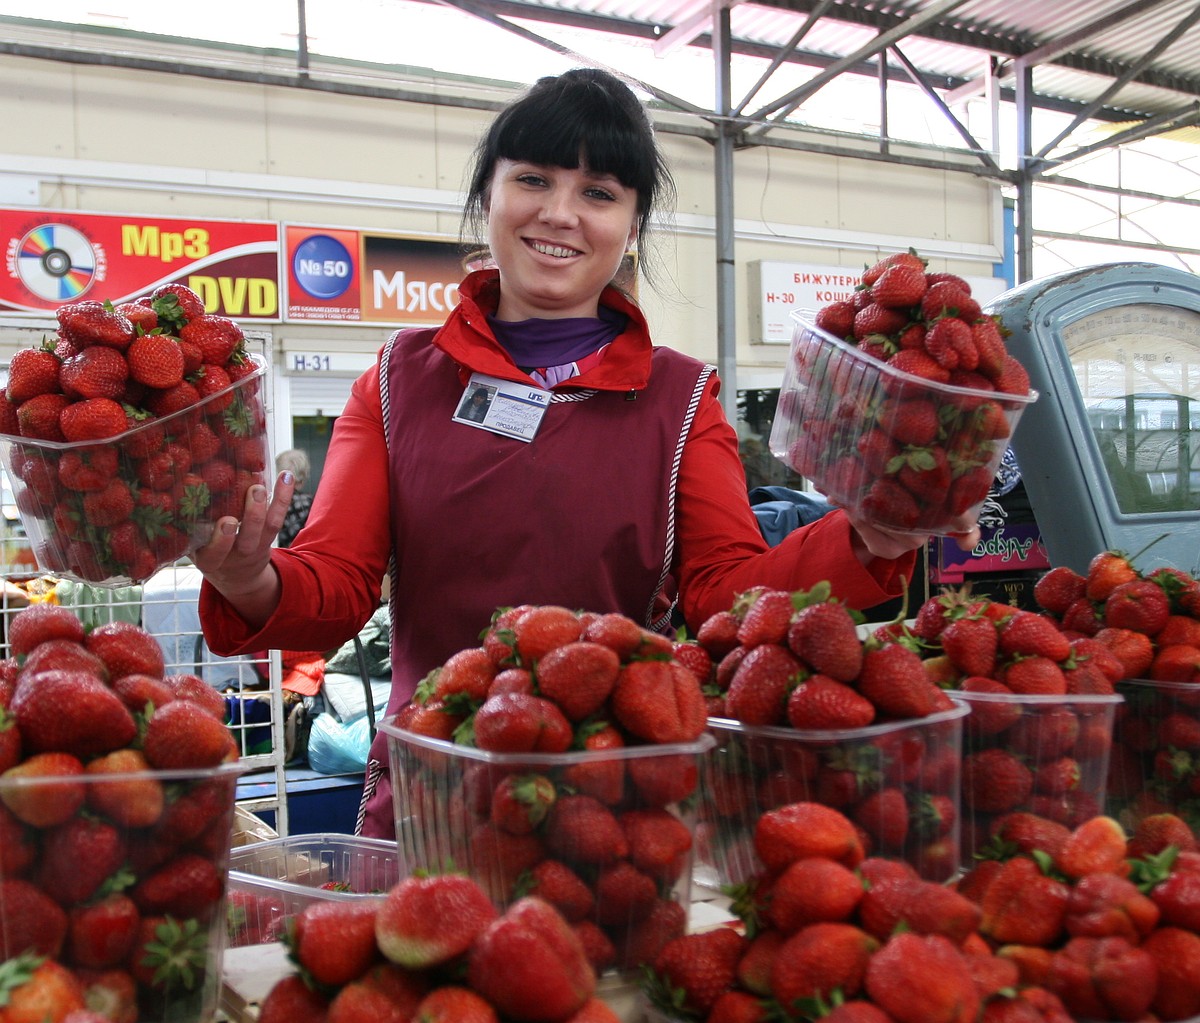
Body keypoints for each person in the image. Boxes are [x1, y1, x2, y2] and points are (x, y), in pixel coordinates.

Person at [194, 67, 980, 840]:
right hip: (430, 795)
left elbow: (728, 599)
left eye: (599, 193)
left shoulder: (680, 400)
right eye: (534, 179)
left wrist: (865, 538)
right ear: (489, 196)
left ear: (632, 224)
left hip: (614, 809)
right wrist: (249, 576)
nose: (560, 214)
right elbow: (336, 584)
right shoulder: (398, 383)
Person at [274, 448, 313, 548]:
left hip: (275, 559)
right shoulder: (311, 504)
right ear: (304, 474)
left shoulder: (270, 501)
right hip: (300, 559)